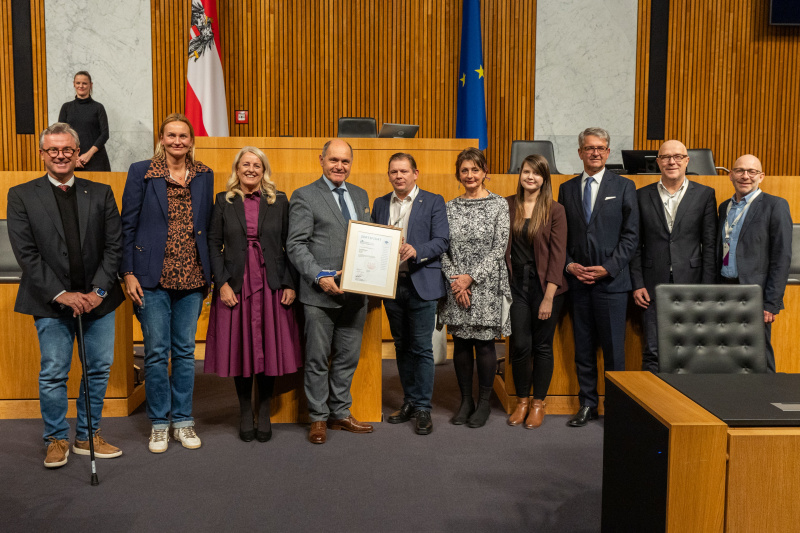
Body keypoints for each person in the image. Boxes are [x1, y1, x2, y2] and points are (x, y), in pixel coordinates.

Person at [6, 122, 125, 468]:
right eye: (53, 150)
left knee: (98, 370)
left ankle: (88, 435)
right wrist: (62, 294)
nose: (60, 155)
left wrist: (98, 291)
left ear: (77, 154)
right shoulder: (22, 195)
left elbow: (114, 247)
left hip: (98, 302)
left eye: (67, 149)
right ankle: (56, 438)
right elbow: (27, 254)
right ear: (42, 154)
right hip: (50, 303)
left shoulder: (100, 193)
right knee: (54, 373)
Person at [120, 113, 214, 453]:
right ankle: (159, 423)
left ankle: (183, 421)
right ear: (161, 139)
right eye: (171, 135)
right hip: (150, 277)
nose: (177, 141)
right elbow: (127, 225)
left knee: (186, 352)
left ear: (191, 141)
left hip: (193, 275)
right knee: (157, 352)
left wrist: (211, 274)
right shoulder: (142, 172)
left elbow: (207, 224)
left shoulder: (204, 174)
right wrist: (128, 272)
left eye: (183, 136)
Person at [204, 147, 302, 442]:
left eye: (256, 165)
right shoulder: (223, 200)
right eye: (245, 164)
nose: (251, 169)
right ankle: (245, 411)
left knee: (269, 347)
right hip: (236, 284)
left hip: (272, 283)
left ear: (264, 170)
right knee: (241, 347)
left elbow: (290, 245)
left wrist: (290, 283)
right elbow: (213, 244)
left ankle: (264, 409)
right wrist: (221, 283)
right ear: (236, 169)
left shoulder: (279, 200)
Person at [286, 139, 373, 444]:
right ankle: (318, 418)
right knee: (317, 359)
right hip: (319, 294)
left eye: (345, 161)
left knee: (348, 358)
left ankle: (340, 413)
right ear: (321, 160)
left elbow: (369, 240)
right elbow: (295, 245)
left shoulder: (360, 195)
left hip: (356, 294)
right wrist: (319, 276)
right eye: (334, 160)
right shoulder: (305, 195)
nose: (339, 166)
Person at [557, 127, 638, 427]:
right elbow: (560, 236)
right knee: (583, 348)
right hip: (578, 284)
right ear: (580, 152)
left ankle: (616, 408)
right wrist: (569, 265)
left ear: (608, 152)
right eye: (589, 148)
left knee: (615, 352)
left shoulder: (625, 186)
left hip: (612, 284)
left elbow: (631, 236)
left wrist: (608, 267)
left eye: (600, 148)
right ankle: (588, 404)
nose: (595, 152)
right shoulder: (566, 189)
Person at [371, 153, 450, 435]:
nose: (399, 176)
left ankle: (423, 407)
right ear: (389, 175)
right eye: (394, 172)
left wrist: (417, 250)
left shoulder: (433, 201)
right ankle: (409, 401)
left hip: (422, 284)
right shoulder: (380, 203)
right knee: (401, 346)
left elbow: (441, 241)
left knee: (421, 348)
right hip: (392, 286)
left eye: (404, 171)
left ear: (415, 173)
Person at [439, 147, 511, 429]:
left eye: (475, 170)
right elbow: (442, 249)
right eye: (464, 170)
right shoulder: (449, 207)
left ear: (485, 172)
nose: (470, 175)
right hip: (457, 286)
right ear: (458, 174)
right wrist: (456, 281)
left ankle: (483, 403)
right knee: (461, 343)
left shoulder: (499, 204)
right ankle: (465, 401)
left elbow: (498, 249)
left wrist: (470, 278)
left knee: (483, 344)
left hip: (486, 285)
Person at [630, 140, 717, 372]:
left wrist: (707, 289)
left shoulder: (705, 195)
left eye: (678, 157)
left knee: (689, 351)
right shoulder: (641, 195)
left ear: (687, 161)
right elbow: (635, 245)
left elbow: (709, 246)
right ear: (658, 162)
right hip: (651, 284)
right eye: (666, 157)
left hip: (691, 283)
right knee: (653, 351)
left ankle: (683, 396)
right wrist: (637, 283)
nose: (672, 162)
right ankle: (650, 396)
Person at [504, 154, 568, 429]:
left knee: (542, 346)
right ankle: (521, 401)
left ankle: (538, 403)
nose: (530, 177)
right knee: (519, 345)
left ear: (544, 178)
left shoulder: (555, 210)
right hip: (516, 286)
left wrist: (549, 297)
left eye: (537, 173)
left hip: (546, 287)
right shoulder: (507, 204)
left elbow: (558, 255)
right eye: (526, 171)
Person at [718, 154, 792, 372]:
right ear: (731, 175)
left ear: (761, 176)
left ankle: (767, 391)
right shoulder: (724, 207)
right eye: (740, 171)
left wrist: (771, 302)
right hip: (725, 289)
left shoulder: (775, 205)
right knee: (729, 353)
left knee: (759, 355)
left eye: (752, 172)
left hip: (755, 293)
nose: (745, 176)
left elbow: (782, 257)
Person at [58, 71, 111, 172]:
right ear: (74, 84)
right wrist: (73, 157)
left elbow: (105, 134)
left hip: (96, 160)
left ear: (90, 85)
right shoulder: (66, 107)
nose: (81, 86)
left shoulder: (98, 107)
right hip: (72, 160)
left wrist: (89, 154)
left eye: (84, 83)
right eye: (78, 83)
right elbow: (61, 135)